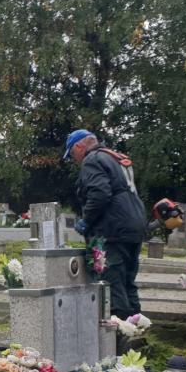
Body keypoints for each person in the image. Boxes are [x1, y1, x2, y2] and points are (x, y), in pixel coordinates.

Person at [64, 129, 147, 320]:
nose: (74, 160)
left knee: (112, 283)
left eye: (72, 155)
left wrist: (87, 220)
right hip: (133, 225)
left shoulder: (92, 160)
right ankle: (136, 328)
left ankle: (119, 332)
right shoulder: (115, 157)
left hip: (112, 230)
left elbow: (100, 193)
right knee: (128, 282)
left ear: (79, 146)